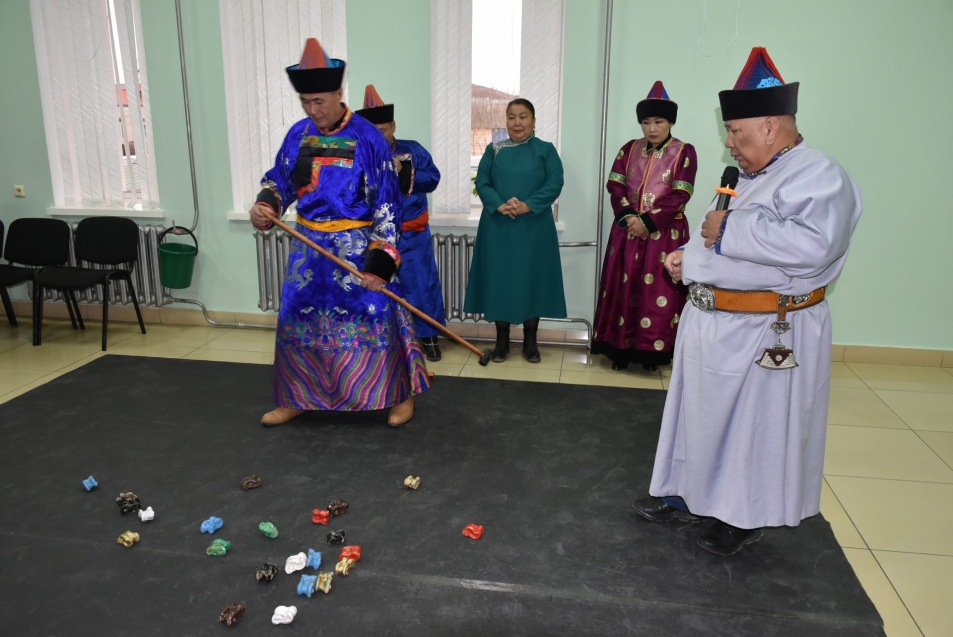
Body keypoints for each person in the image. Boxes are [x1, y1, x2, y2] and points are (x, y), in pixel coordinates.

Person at [632, 47, 863, 555]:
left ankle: (743, 515)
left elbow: (810, 247)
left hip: (764, 331)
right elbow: (714, 238)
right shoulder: (748, 178)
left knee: (753, 427)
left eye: (736, 132)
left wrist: (729, 228)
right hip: (713, 325)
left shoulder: (819, 176)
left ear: (773, 126)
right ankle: (689, 495)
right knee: (701, 415)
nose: (729, 143)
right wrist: (685, 259)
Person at [249, 38, 430, 427]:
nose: (314, 111)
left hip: (357, 247)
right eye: (306, 103)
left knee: (376, 315)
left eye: (320, 102)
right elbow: (280, 180)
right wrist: (267, 204)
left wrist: (380, 263)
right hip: (309, 248)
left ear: (338, 93)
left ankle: (399, 394)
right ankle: (298, 395)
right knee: (299, 319)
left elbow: (387, 204)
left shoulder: (367, 138)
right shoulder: (298, 135)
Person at [592, 81, 696, 373]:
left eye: (658, 122)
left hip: (663, 234)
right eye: (646, 122)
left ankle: (652, 353)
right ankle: (620, 350)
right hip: (627, 232)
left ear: (670, 122)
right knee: (623, 289)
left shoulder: (684, 152)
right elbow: (616, 186)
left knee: (657, 295)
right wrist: (629, 218)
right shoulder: (629, 149)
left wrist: (648, 222)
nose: (652, 128)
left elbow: (680, 195)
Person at [464, 98, 566, 364]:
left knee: (533, 281)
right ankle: (501, 342)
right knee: (500, 281)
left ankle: (530, 342)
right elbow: (483, 181)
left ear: (534, 121)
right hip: (498, 226)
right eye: (511, 117)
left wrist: (526, 206)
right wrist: (500, 205)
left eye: (523, 116)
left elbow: (554, 183)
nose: (517, 122)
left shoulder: (546, 150)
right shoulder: (493, 149)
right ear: (505, 121)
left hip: (534, 226)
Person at [355, 85, 446, 362]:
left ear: (393, 126)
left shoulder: (412, 149)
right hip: (377, 238)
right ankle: (383, 340)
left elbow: (433, 179)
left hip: (412, 236)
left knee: (421, 285)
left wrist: (405, 170)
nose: (378, 137)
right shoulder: (359, 157)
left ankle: (428, 337)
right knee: (379, 287)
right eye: (372, 132)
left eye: (382, 130)